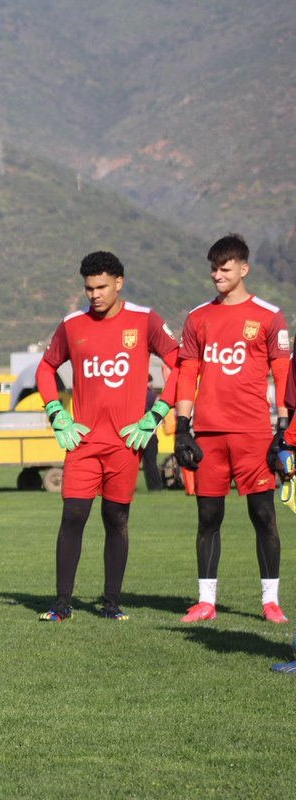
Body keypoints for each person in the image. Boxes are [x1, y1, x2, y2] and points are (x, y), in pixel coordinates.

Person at [34, 251, 179, 622]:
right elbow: (46, 368)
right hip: (82, 443)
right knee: (74, 515)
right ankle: (62, 603)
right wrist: (57, 414)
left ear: (119, 282)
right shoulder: (72, 324)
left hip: (126, 443)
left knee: (116, 518)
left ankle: (111, 603)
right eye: (88, 288)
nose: (94, 294)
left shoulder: (145, 320)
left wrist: (156, 415)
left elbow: (179, 365)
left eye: (101, 287)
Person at [173, 234, 289, 624]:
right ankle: (206, 601)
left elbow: (284, 373)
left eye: (224, 268)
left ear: (244, 269)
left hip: (254, 434)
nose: (217, 275)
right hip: (208, 435)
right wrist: (182, 427)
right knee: (208, 518)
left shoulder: (270, 316)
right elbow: (188, 372)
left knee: (263, 516)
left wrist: (285, 429)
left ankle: (270, 601)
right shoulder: (198, 317)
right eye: (213, 268)